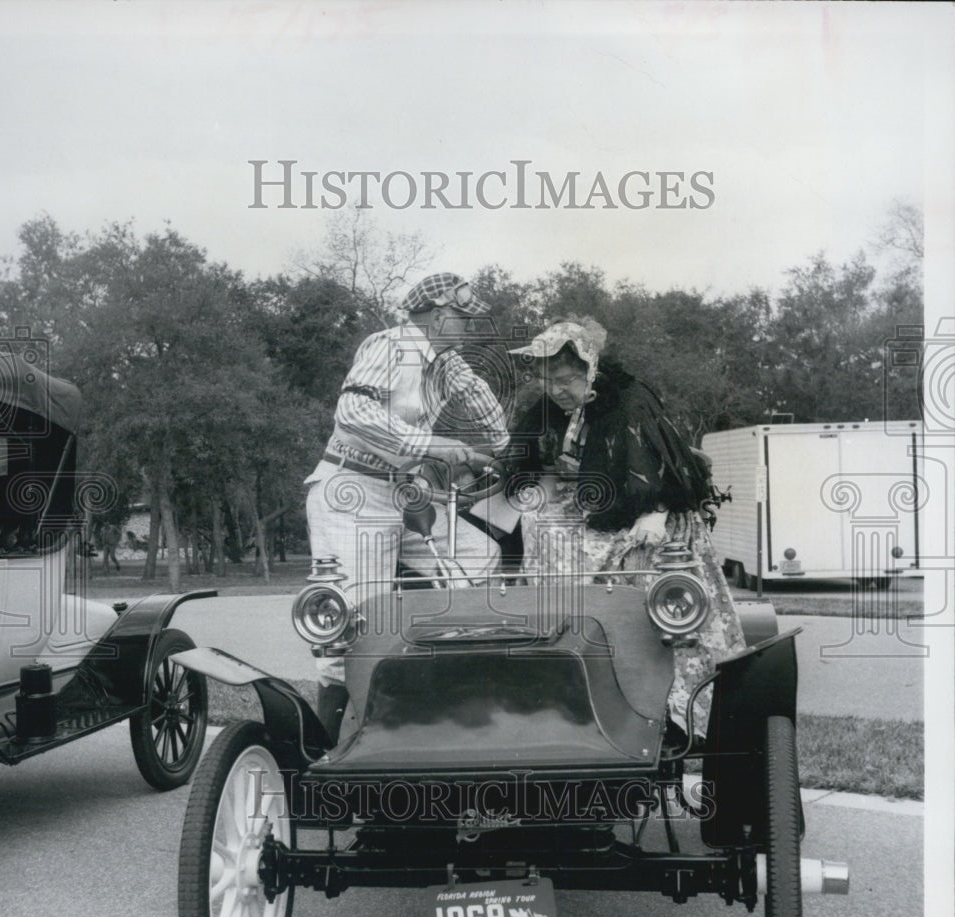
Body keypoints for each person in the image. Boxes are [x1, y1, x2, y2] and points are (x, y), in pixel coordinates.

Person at [508, 318, 744, 739]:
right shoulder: (551, 408)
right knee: (539, 530)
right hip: (587, 518)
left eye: (565, 380)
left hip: (647, 515)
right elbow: (523, 461)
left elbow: (665, 472)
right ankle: (565, 676)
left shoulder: (629, 402)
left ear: (590, 370)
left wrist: (654, 510)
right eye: (549, 382)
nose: (557, 391)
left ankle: (671, 708)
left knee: (651, 567)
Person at [305, 272, 510, 742]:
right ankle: (330, 751)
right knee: (351, 623)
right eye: (463, 318)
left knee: (479, 554)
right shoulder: (391, 344)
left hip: (401, 491)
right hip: (351, 491)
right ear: (439, 313)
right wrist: (436, 444)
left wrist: (493, 432)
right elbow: (352, 413)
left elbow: (494, 427)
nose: (468, 327)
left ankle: (438, 679)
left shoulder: (444, 359)